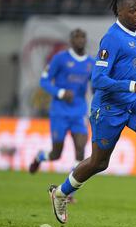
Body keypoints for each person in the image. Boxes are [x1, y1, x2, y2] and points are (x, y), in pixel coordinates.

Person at [48, 0, 136, 224]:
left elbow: (130, 64)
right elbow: (97, 79)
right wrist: (132, 86)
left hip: (134, 104)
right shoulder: (111, 39)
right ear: (119, 13)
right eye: (132, 10)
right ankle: (60, 194)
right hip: (108, 109)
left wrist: (134, 91)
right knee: (99, 162)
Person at [29, 29, 93, 192]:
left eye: (82, 37)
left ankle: (67, 190)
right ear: (71, 41)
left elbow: (95, 87)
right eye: (76, 37)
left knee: (81, 149)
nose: (80, 40)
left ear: (86, 40)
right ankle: (39, 157)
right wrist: (61, 92)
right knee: (56, 154)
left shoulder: (91, 63)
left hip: (79, 112)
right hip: (59, 112)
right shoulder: (60, 59)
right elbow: (44, 81)